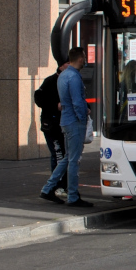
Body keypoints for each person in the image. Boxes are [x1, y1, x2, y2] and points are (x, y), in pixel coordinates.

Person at [40, 48, 91, 207]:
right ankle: (73, 196)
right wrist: (84, 117)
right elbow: (77, 101)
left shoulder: (62, 76)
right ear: (81, 59)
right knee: (74, 160)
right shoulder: (74, 77)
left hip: (65, 121)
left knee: (67, 158)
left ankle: (48, 188)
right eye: (84, 57)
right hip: (75, 122)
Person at [34, 62, 68, 174]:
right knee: (58, 154)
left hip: (66, 124)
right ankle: (57, 184)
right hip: (53, 124)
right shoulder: (50, 81)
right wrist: (55, 105)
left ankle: (62, 184)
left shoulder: (72, 80)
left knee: (65, 154)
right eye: (68, 63)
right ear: (61, 66)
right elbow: (39, 98)